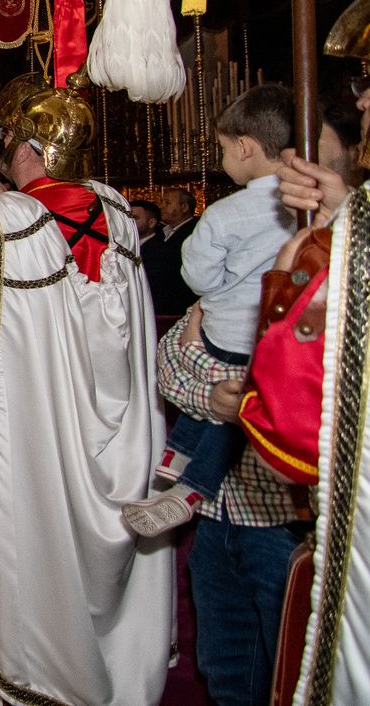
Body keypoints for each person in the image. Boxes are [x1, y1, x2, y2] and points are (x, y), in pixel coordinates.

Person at [0, 79, 174, 706]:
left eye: (11, 139)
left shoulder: (3, 223)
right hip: (122, 441)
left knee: (38, 545)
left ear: (33, 147)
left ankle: (44, 671)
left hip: (43, 428)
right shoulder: (116, 211)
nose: (4, 147)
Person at [124, 84, 296, 537]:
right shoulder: (307, 208)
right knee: (227, 404)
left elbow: (197, 276)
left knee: (232, 412)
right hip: (272, 338)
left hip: (227, 333)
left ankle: (189, 485)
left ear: (245, 148)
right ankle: (179, 459)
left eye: (221, 149)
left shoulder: (225, 213)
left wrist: (210, 296)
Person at [151, 186, 201, 315]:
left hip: (180, 306)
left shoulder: (196, 232)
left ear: (184, 207)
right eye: (161, 202)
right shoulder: (161, 232)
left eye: (167, 203)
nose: (161, 207)